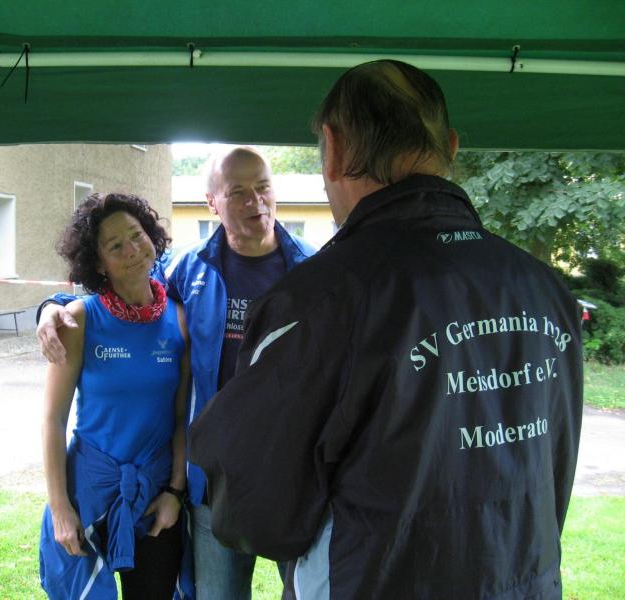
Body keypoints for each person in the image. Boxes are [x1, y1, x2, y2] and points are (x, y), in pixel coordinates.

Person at [188, 60, 583, 599]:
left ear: (333, 149)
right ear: (450, 146)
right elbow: (551, 473)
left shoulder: (320, 301)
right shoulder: (544, 288)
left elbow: (252, 507)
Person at [37, 147, 318, 599]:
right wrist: (53, 306)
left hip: (292, 472)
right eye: (238, 191)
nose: (255, 201)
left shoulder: (313, 269)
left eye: (263, 187)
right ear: (213, 203)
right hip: (213, 481)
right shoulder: (190, 269)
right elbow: (124, 287)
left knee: (309, 593)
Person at [38, 192, 193, 599]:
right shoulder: (80, 319)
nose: (133, 250)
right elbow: (53, 420)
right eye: (115, 245)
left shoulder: (178, 320)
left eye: (137, 235)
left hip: (155, 495)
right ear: (98, 263)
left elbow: (181, 418)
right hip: (89, 493)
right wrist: (59, 507)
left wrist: (174, 493)